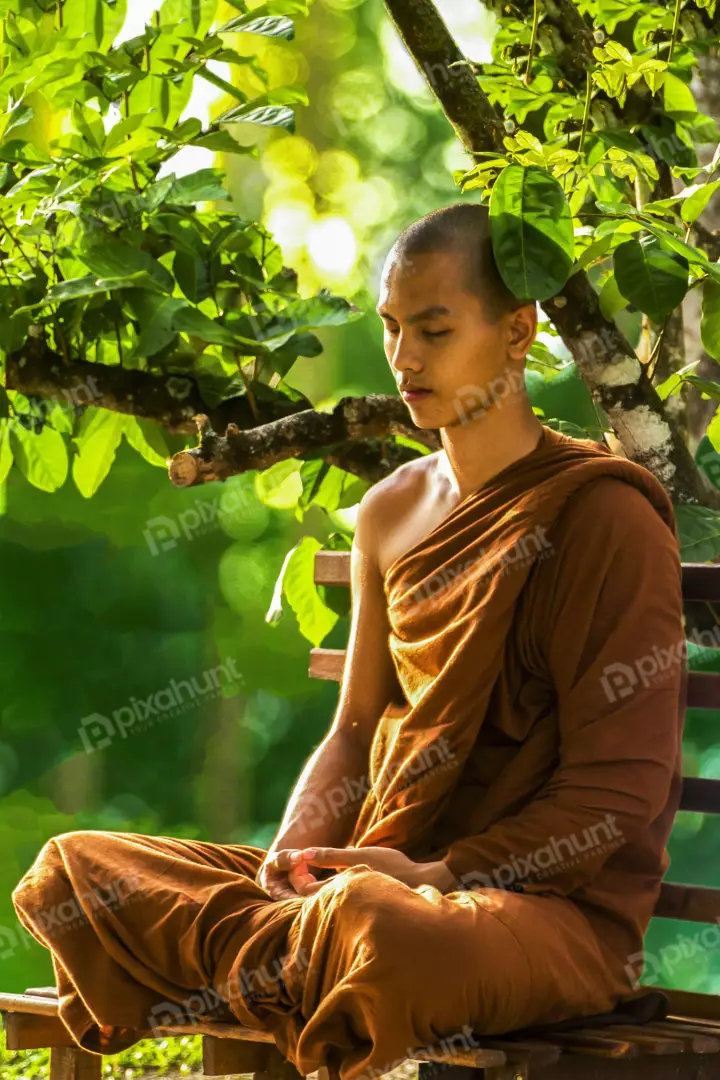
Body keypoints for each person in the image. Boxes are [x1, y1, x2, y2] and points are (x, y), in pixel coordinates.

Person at [12, 203, 686, 1080]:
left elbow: (615, 796)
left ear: (518, 331)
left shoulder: (603, 513)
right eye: (393, 329)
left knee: (385, 930)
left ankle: (298, 953)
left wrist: (434, 876)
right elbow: (356, 725)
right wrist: (287, 868)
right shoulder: (391, 510)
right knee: (77, 869)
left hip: (537, 914)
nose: (404, 360)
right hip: (371, 882)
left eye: (435, 331)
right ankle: (300, 945)